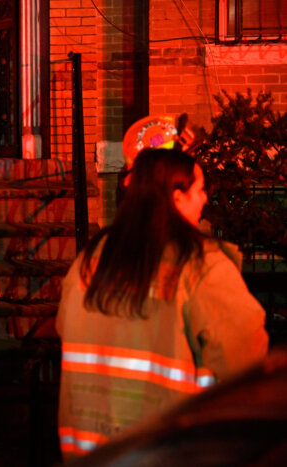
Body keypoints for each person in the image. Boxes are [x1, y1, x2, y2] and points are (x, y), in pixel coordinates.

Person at [56, 148, 268, 459]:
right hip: (168, 450)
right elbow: (246, 362)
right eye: (200, 189)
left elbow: (65, 327)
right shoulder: (201, 265)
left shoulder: (91, 259)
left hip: (91, 452)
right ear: (177, 197)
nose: (205, 199)